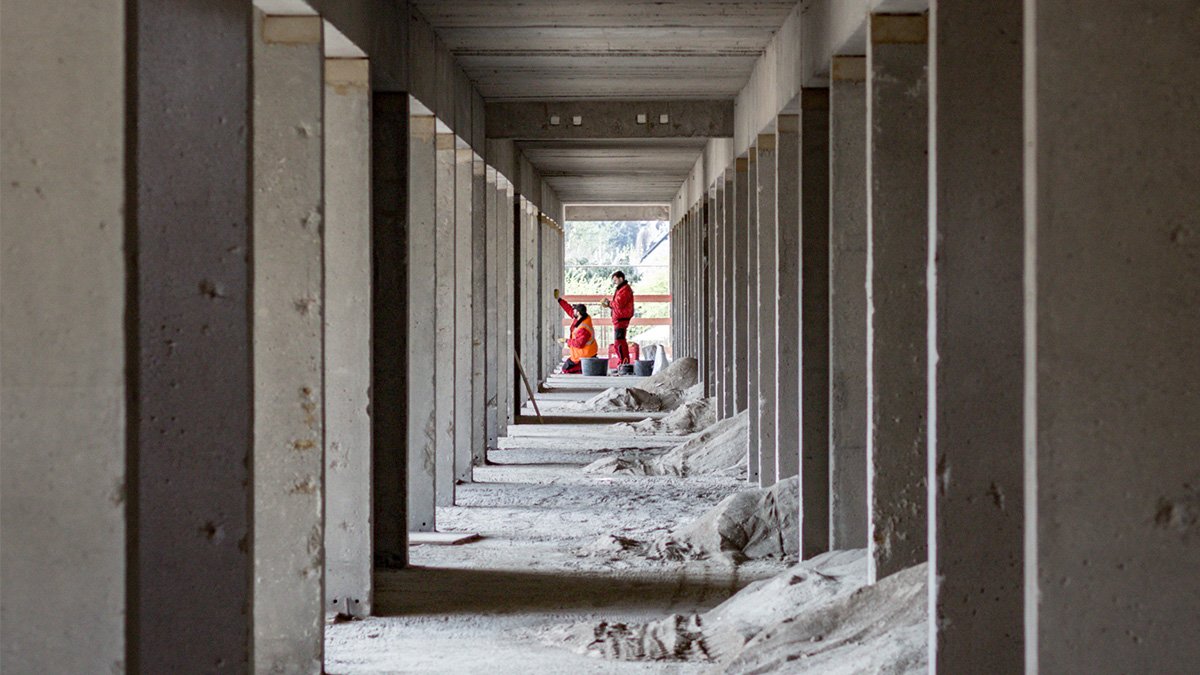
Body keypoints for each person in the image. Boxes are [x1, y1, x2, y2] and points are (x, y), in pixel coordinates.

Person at [553, 288, 597, 374]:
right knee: (566, 368)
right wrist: (559, 300)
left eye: (575, 310)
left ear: (578, 313)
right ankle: (584, 366)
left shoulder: (583, 328)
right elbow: (568, 309)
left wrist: (566, 341)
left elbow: (579, 344)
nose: (573, 311)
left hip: (584, 354)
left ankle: (583, 368)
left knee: (566, 370)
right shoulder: (581, 317)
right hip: (582, 353)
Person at [602, 270, 635, 366]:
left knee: (619, 342)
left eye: (616, 280)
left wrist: (608, 303)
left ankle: (624, 362)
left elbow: (618, 304)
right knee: (620, 341)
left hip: (621, 319)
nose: (615, 282)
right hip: (620, 319)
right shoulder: (622, 289)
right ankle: (624, 362)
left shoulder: (624, 290)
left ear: (621, 278)